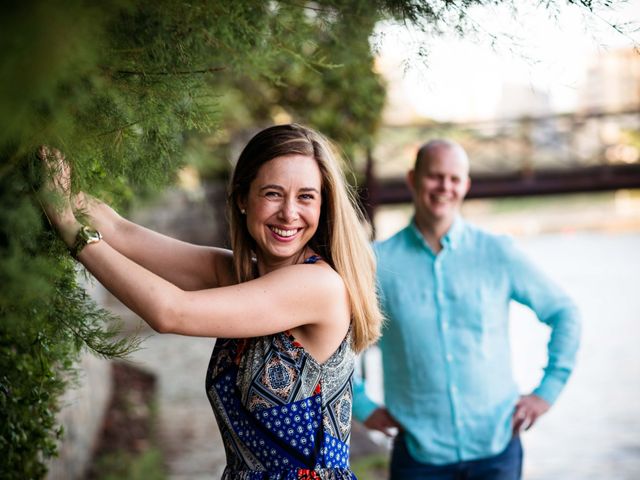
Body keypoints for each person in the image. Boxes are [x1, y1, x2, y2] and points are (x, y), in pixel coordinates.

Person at [39, 123, 383, 479]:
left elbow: (170, 312)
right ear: (242, 200)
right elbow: (123, 232)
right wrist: (57, 174)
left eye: (306, 196)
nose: (289, 213)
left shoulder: (318, 286)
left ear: (324, 207)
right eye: (273, 194)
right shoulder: (240, 275)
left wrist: (72, 233)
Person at [352, 139, 581, 480]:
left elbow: (565, 313)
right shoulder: (377, 263)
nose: (445, 187)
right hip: (419, 456)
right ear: (413, 179)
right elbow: (338, 341)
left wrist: (546, 393)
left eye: (455, 179)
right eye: (435, 176)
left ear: (466, 185)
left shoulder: (497, 252)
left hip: (497, 451)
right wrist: (361, 404)